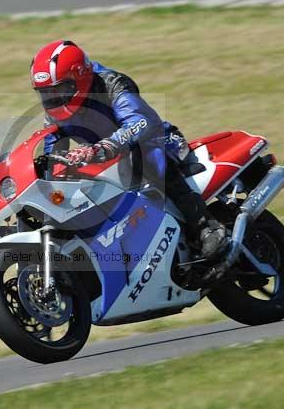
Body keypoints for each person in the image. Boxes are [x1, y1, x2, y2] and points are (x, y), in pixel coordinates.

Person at [30, 40, 226, 261]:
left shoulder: (113, 85)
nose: (53, 99)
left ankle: (206, 226)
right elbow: (52, 147)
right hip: (109, 160)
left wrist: (107, 146)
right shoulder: (56, 110)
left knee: (143, 155)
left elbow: (139, 123)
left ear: (80, 77)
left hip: (159, 140)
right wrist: (40, 171)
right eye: (46, 94)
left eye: (60, 89)